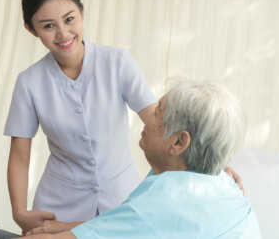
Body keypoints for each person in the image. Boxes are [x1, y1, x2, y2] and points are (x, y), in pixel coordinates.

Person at [4, 0, 157, 234]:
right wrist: (19, 212)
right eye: (48, 25)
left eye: (69, 19)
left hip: (121, 200)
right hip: (58, 206)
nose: (63, 33)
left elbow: (158, 122)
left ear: (82, 13)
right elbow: (19, 156)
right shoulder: (29, 82)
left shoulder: (118, 63)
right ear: (31, 29)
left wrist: (207, 166)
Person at [20, 77, 262, 238]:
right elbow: (120, 226)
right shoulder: (220, 183)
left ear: (179, 142)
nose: (148, 118)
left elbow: (142, 220)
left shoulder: (167, 201)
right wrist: (61, 227)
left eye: (158, 111)